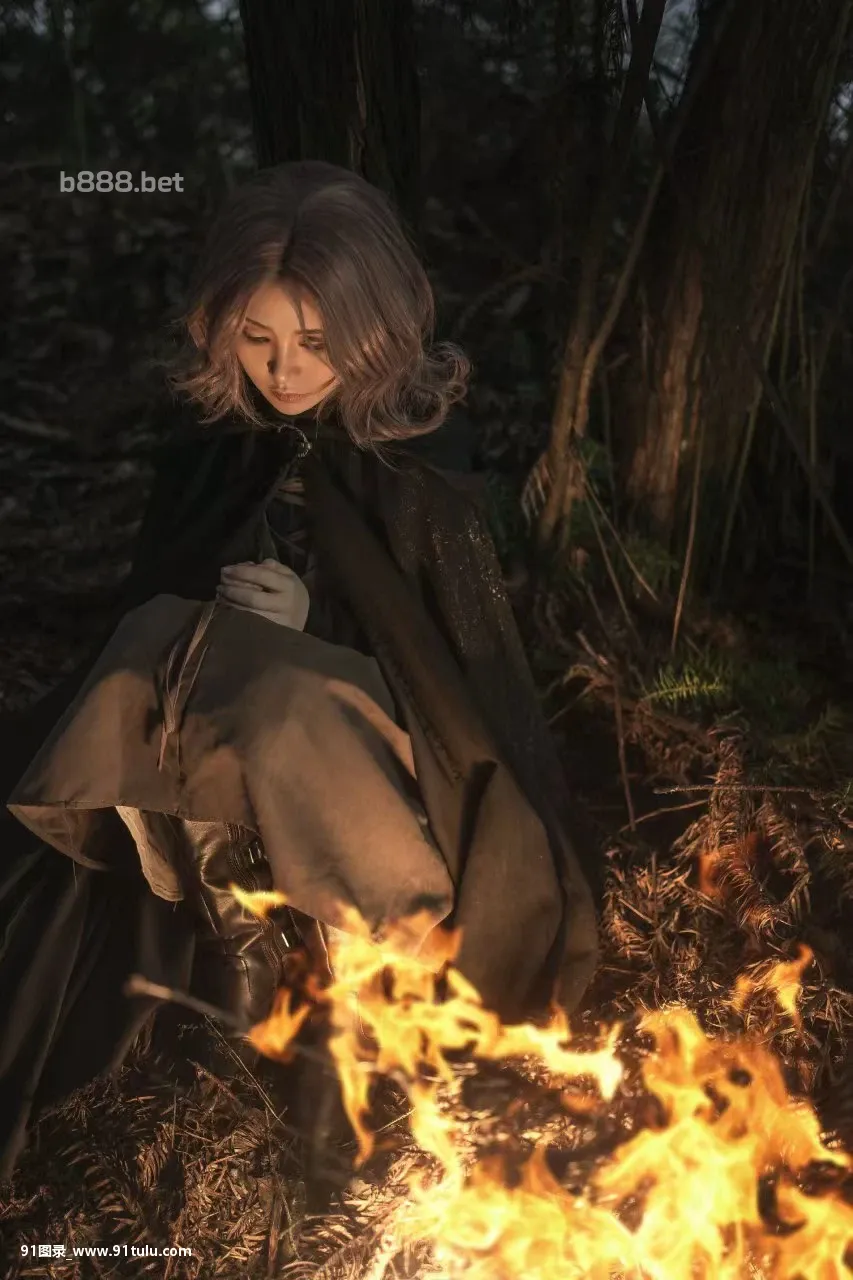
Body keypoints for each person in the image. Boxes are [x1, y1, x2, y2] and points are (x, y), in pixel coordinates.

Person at [0, 161, 598, 1181]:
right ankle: (238, 956)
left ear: (370, 328)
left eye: (316, 343)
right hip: (210, 750)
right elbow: (155, 594)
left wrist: (310, 619)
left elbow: (453, 674)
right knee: (146, 658)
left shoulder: (419, 459)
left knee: (283, 707)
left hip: (374, 763)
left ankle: (355, 1014)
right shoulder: (214, 445)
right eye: (257, 338)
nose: (283, 372)